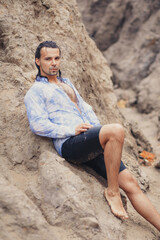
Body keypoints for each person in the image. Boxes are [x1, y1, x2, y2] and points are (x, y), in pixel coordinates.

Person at [24, 41, 160, 230]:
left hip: (88, 141)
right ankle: (112, 192)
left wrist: (99, 134)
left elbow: (85, 110)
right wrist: (71, 130)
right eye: (48, 59)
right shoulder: (36, 91)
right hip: (70, 144)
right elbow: (38, 125)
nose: (53, 63)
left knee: (131, 183)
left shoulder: (67, 83)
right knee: (116, 130)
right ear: (38, 61)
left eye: (57, 58)